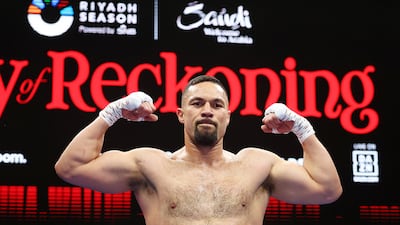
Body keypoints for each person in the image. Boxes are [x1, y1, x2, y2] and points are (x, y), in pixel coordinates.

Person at [55, 75, 342, 225]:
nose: (207, 110)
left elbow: (328, 189)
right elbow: (70, 167)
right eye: (197, 103)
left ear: (228, 116)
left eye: (217, 105)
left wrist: (302, 128)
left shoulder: (257, 165)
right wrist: (112, 112)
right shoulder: (151, 165)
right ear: (180, 114)